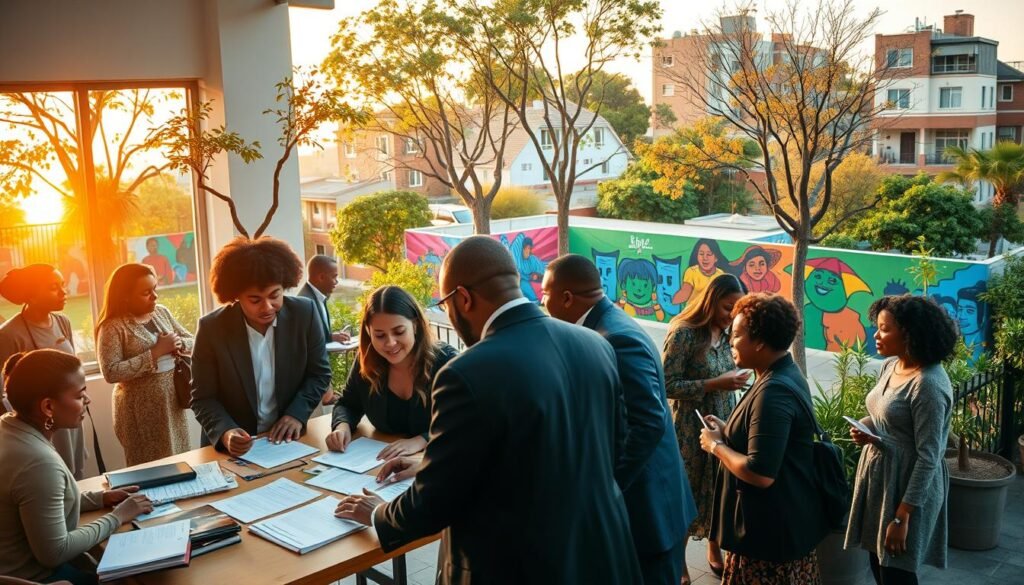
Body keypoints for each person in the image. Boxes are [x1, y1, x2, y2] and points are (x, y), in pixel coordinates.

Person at [335, 236, 641, 584]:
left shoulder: (465, 373)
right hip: (602, 554)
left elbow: (435, 501)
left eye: (446, 304)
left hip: (515, 567)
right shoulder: (595, 344)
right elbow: (616, 448)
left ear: (463, 298)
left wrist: (379, 513)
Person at [541, 254, 696, 585]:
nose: (542, 303)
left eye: (545, 294)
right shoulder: (606, 324)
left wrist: (604, 488)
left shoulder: (615, 338)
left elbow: (649, 422)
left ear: (566, 298)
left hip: (647, 514)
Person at [699, 293, 828, 584]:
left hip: (768, 540)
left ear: (759, 342)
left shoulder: (774, 391)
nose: (731, 341)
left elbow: (761, 473)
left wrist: (715, 445)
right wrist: (727, 429)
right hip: (777, 527)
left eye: (737, 334)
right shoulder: (780, 372)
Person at [0, 349, 152, 585]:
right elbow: (55, 552)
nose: (88, 400)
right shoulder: (37, 462)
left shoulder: (9, 427)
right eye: (80, 395)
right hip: (40, 578)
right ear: (48, 407)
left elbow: (37, 504)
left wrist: (99, 499)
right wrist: (118, 516)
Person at [845, 295, 957, 585]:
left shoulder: (928, 384)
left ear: (909, 333)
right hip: (881, 478)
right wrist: (866, 428)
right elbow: (886, 415)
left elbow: (929, 455)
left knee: (897, 573)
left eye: (884, 328)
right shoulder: (892, 366)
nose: (876, 334)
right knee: (879, 563)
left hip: (907, 487)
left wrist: (902, 517)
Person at [191, 236, 331, 456]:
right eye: (255, 300)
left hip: (286, 442)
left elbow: (319, 374)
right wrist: (226, 432)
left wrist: (295, 415)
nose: (267, 307)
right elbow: (203, 397)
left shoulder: (305, 314)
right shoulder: (212, 328)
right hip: (231, 451)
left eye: (275, 295)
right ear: (236, 296)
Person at [661, 273, 749, 577]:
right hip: (689, 427)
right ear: (711, 300)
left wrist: (735, 381)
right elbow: (666, 384)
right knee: (687, 494)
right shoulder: (683, 333)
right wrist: (714, 383)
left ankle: (714, 546)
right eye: (727, 308)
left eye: (737, 311)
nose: (731, 316)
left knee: (718, 489)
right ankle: (679, 560)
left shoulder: (728, 335)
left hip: (722, 421)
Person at [325, 285, 457, 459]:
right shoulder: (367, 360)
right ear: (368, 331)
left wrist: (422, 440)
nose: (390, 343)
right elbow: (348, 404)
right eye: (379, 335)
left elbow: (463, 422)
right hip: (376, 463)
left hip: (433, 463)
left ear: (415, 325)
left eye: (399, 332)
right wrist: (342, 426)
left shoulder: (446, 362)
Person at [95, 263, 194, 466]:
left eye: (155, 289)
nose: (155, 296)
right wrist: (155, 353)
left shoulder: (161, 313)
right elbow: (111, 372)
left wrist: (178, 343)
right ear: (125, 296)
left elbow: (192, 340)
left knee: (179, 457)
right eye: (146, 292)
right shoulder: (112, 327)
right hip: (139, 408)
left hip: (171, 400)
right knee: (150, 464)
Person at [0, 264, 86, 479]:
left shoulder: (62, 323)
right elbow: (5, 392)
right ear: (32, 295)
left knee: (75, 477)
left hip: (68, 417)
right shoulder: (9, 334)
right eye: (53, 287)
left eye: (63, 285)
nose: (63, 292)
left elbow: (72, 369)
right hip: (36, 427)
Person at [297, 255, 352, 345]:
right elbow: (304, 341)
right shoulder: (303, 303)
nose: (336, 282)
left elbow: (314, 334)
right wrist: (330, 338)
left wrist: (331, 337)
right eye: (334, 277)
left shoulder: (320, 296)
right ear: (321, 277)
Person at [674, 238, 727, 306]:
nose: (705, 258)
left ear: (716, 258)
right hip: (692, 313)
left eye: (709, 254)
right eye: (701, 254)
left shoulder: (720, 275)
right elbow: (685, 293)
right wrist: (670, 301)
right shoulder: (691, 272)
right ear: (697, 256)